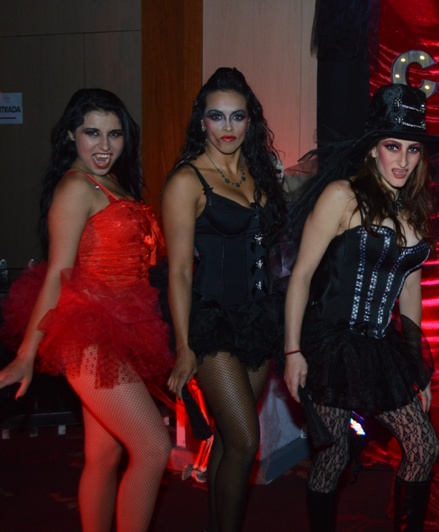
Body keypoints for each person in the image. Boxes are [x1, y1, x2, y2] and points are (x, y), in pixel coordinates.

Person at [0, 89, 173, 532]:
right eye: (92, 132)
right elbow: (57, 275)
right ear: (70, 136)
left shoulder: (112, 181)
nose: (104, 145)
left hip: (124, 326)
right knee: (153, 447)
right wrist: (26, 355)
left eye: (114, 134)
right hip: (89, 332)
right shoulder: (77, 186)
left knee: (104, 454)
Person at [283, 83, 439, 532]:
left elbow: (410, 292)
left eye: (412, 149)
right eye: (392, 146)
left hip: (380, 348)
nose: (402, 160)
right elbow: (301, 275)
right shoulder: (343, 195)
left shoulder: (414, 210)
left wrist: (417, 368)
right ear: (373, 148)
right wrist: (292, 351)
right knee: (333, 455)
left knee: (424, 447)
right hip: (330, 344)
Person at [161, 67, 287, 532]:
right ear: (202, 122)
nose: (228, 127)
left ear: (250, 121)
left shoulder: (259, 173)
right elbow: (178, 270)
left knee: (230, 441)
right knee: (245, 441)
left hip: (257, 321)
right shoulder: (187, 181)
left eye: (238, 116)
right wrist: (183, 346)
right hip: (212, 323)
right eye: (217, 116)